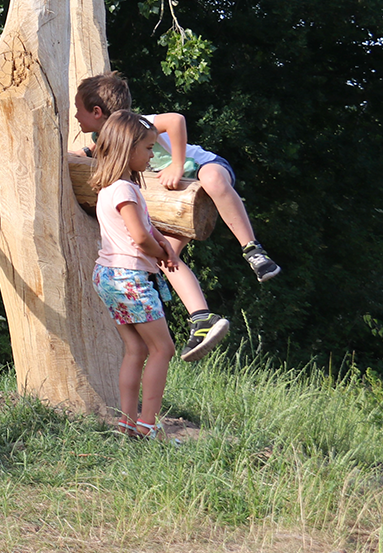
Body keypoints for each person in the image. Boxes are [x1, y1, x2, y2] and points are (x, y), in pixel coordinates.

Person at [76, 71, 277, 356]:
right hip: (180, 198)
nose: (75, 116)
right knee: (165, 255)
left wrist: (178, 164)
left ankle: (253, 250)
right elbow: (92, 149)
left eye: (78, 110)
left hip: (202, 165)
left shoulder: (140, 123)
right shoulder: (108, 136)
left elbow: (176, 120)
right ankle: (202, 318)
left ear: (97, 111)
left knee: (214, 181)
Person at [89, 110, 180, 440]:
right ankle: (147, 424)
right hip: (130, 279)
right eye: (147, 148)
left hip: (109, 277)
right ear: (128, 149)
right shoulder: (125, 190)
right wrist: (159, 253)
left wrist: (163, 245)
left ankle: (127, 422)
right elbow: (139, 238)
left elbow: (146, 228)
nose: (152, 155)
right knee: (162, 349)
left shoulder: (110, 189)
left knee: (136, 350)